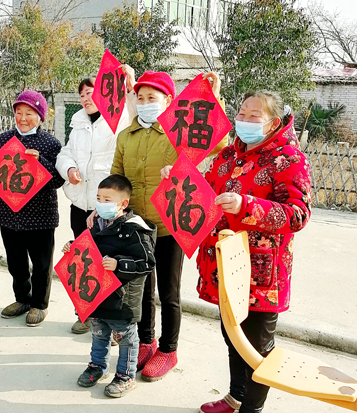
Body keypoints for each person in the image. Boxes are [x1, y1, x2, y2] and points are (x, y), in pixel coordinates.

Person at [98, 70, 228, 382]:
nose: (145, 103)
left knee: (169, 292)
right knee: (141, 289)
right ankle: (146, 342)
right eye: (140, 98)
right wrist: (103, 206)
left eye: (152, 98)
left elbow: (219, 141)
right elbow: (118, 176)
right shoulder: (126, 136)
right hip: (138, 227)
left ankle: (168, 349)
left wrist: (214, 96)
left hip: (170, 225)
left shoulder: (178, 132)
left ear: (168, 101)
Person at [191, 91, 312, 413]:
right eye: (241, 113)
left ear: (273, 122)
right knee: (233, 337)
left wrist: (249, 206)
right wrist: (180, 180)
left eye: (254, 115)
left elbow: (298, 214)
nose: (244, 120)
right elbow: (204, 190)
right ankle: (235, 396)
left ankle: (252, 408)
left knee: (258, 347)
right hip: (223, 265)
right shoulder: (229, 155)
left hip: (262, 273)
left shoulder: (289, 159)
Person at [55, 68, 136, 334]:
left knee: (109, 261)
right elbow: (65, 152)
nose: (85, 98)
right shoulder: (77, 124)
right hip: (81, 203)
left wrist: (130, 83)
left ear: (104, 94)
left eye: (90, 93)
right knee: (83, 260)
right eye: (81, 95)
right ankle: (85, 311)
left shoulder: (119, 120)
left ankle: (113, 323)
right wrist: (68, 170)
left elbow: (135, 113)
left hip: (108, 207)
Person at [64, 174, 156, 397]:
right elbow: (88, 248)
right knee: (99, 333)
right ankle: (97, 367)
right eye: (98, 198)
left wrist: (119, 264)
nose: (101, 204)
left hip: (122, 299)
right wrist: (73, 246)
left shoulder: (136, 229)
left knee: (126, 338)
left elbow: (147, 263)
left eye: (107, 199)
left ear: (123, 203)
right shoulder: (96, 223)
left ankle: (126, 376)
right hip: (97, 295)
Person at [0, 90, 64, 327]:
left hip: (40, 214)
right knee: (15, 262)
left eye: (29, 113)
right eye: (19, 112)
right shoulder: (4, 139)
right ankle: (22, 299)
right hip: (9, 213)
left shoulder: (51, 143)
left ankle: (39, 304)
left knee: (41, 264)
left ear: (40, 117)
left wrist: (40, 161)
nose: (22, 118)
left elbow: (58, 180)